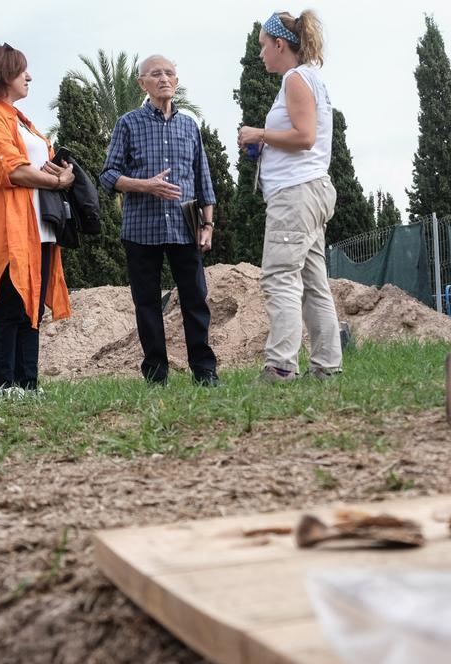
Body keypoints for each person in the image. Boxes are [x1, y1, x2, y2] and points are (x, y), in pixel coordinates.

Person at [101, 55, 219, 387]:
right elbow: (108, 175)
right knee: (147, 305)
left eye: (169, 73)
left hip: (186, 228)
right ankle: (156, 375)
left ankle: (205, 372)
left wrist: (207, 225)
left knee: (195, 300)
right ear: (143, 83)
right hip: (141, 229)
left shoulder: (189, 126)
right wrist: (144, 185)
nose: (164, 78)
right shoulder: (127, 123)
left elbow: (203, 179)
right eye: (156, 74)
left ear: (176, 82)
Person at [238, 10, 342, 382]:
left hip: (295, 195)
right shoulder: (310, 79)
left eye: (264, 46)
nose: (261, 53)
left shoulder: (296, 79)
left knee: (280, 276)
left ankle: (281, 365)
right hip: (311, 190)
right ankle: (327, 366)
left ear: (280, 44)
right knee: (314, 282)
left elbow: (304, 138)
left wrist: (258, 135)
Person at [0, 43, 74, 397]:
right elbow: (10, 170)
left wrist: (62, 171)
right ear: (0, 74)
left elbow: (36, 166)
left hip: (39, 231)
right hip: (7, 232)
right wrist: (58, 180)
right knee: (9, 308)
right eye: (20, 70)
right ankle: (5, 384)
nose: (28, 76)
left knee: (31, 310)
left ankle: (28, 383)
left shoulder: (22, 121)